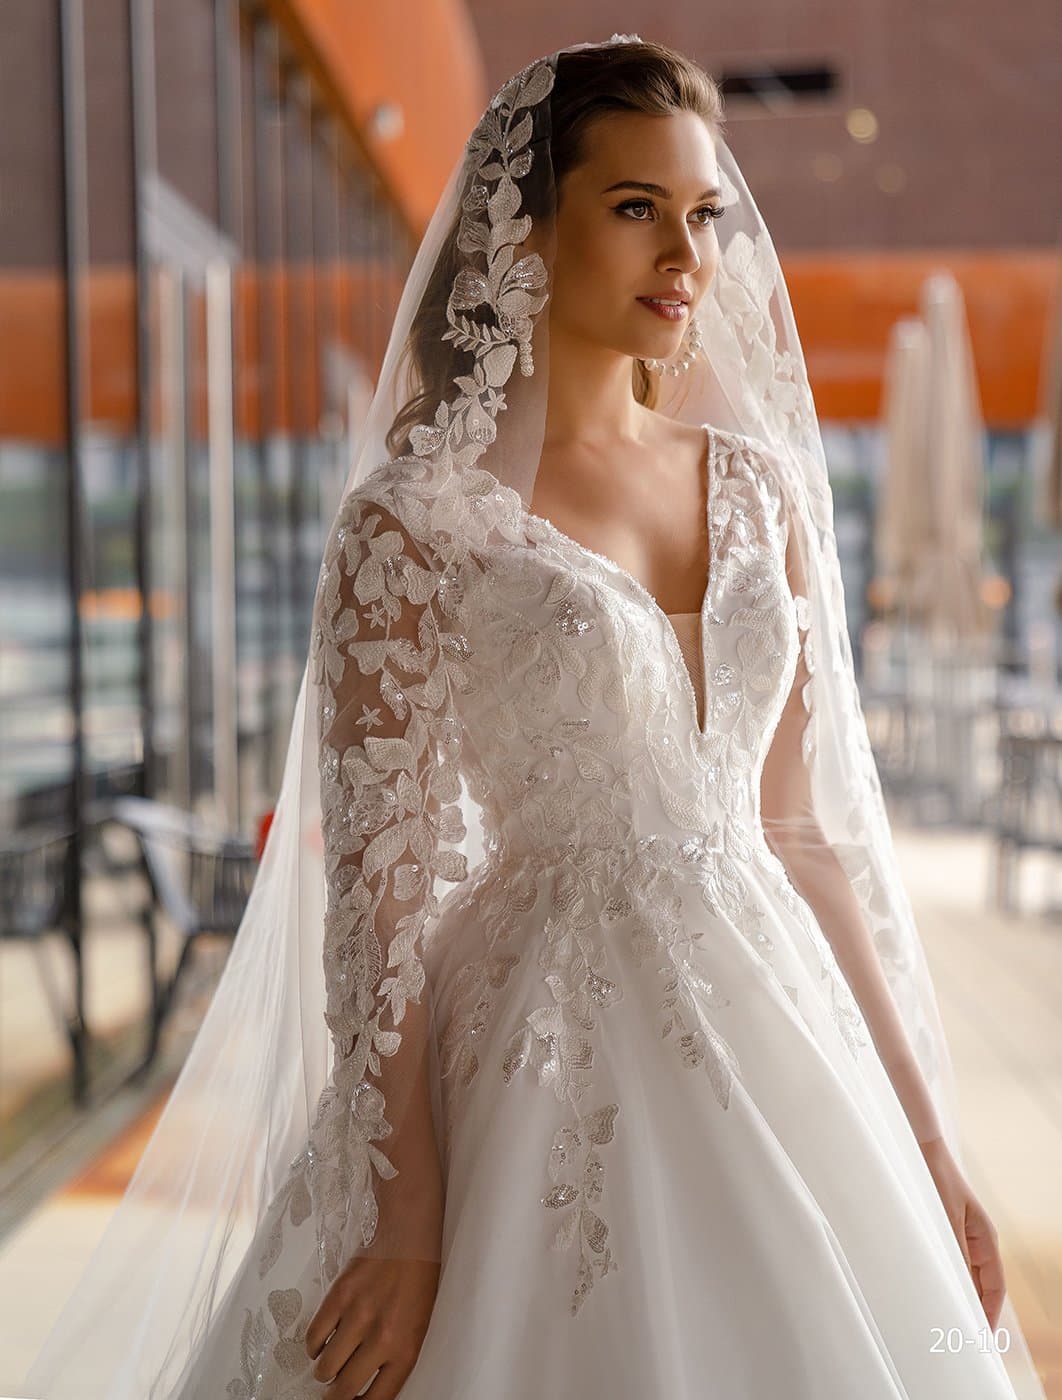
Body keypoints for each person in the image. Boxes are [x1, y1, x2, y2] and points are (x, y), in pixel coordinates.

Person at [21, 35, 1047, 1400]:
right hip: (538, 1041)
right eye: (635, 210)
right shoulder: (415, 520)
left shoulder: (761, 490)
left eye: (703, 218)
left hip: (785, 1016)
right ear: (527, 226)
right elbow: (380, 900)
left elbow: (802, 833)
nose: (685, 254)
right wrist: (405, 1215)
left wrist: (929, 1147)